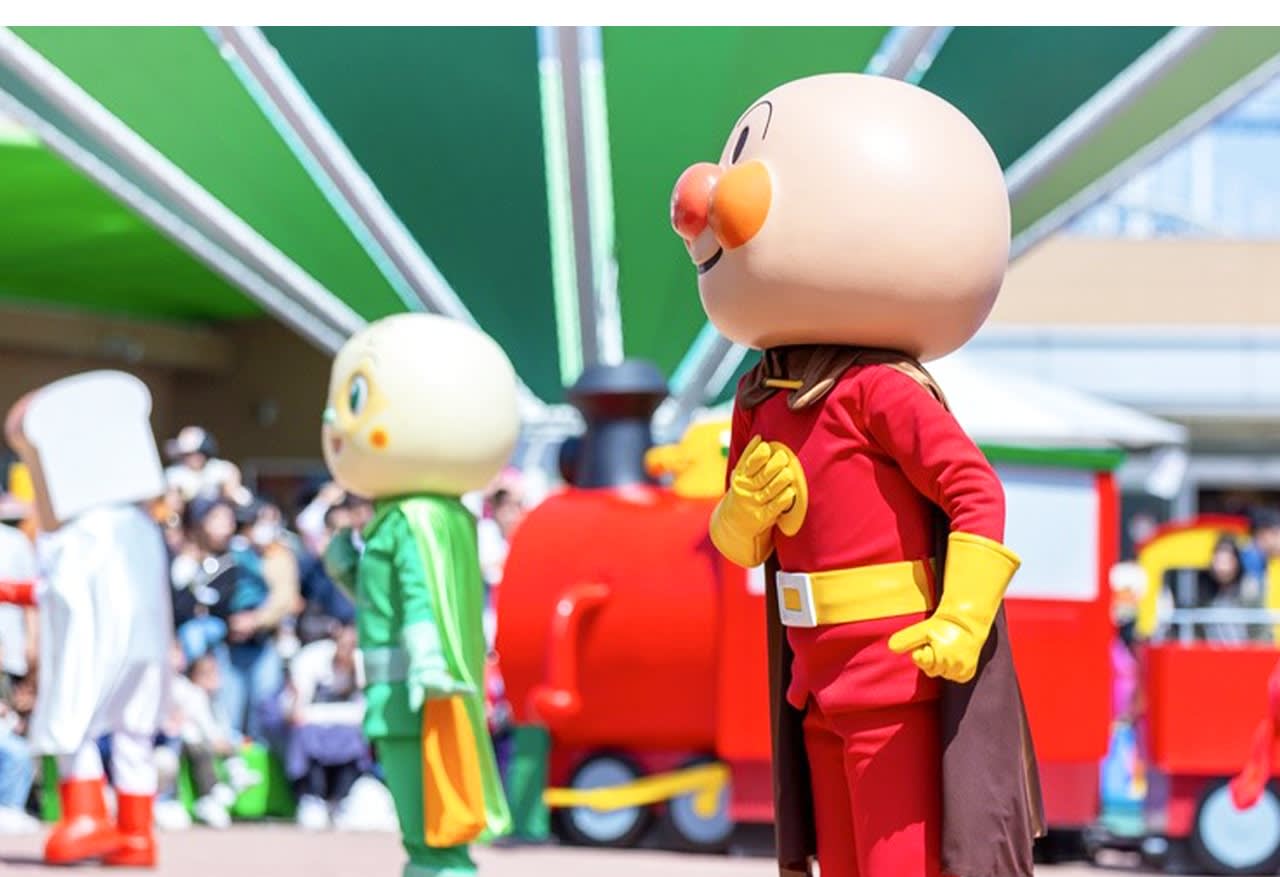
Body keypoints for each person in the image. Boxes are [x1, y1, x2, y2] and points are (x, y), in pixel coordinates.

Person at [671, 74, 1042, 877]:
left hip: (892, 676)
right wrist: (740, 514)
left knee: (897, 861)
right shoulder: (761, 393)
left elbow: (975, 490)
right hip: (814, 679)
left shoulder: (879, 391)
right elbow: (740, 545)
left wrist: (960, 618)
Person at [322, 313, 516, 877]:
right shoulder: (437, 516)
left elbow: (419, 595)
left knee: (428, 824)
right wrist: (348, 572)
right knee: (436, 818)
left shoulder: (415, 519)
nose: (333, 421)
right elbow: (388, 599)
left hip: (413, 694)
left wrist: (428, 661)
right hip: (414, 690)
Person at [5, 371, 172, 867]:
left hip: (92, 647)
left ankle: (86, 817)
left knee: (72, 722)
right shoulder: (141, 525)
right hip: (146, 647)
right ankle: (136, 834)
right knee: (135, 733)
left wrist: (11, 591)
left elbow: (60, 593)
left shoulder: (83, 532)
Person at [281, 623, 372, 831]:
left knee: (356, 739)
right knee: (306, 736)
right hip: (305, 724)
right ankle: (312, 796)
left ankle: (340, 798)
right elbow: (297, 712)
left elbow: (363, 711)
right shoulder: (310, 658)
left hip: (342, 726)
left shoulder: (363, 664)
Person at [1198, 535, 1267, 643]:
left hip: (1245, 650)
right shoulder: (1205, 592)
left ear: (1237, 562)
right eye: (1218, 561)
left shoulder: (1249, 589)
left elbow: (1259, 630)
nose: (1222, 567)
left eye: (1227, 561)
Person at [163, 426, 250, 506]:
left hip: (218, 511)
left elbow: (232, 477)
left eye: (197, 453)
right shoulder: (175, 474)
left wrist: (228, 492)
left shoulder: (217, 468)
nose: (192, 458)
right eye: (187, 454)